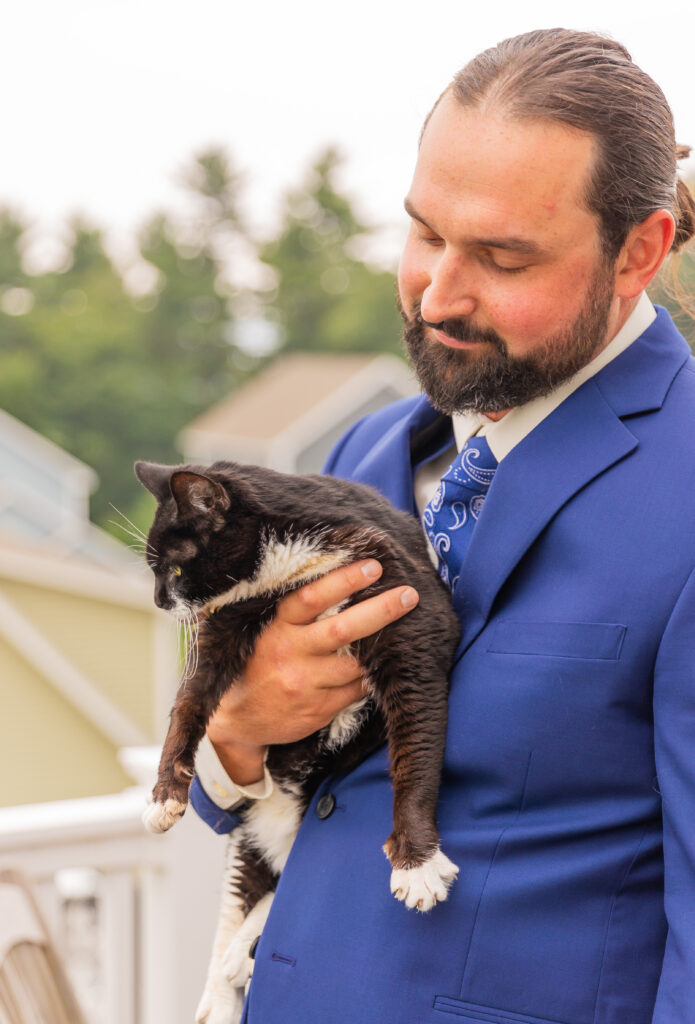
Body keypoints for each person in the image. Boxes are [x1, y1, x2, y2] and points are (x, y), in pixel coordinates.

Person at [190, 28, 695, 1024]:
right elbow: (270, 796)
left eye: (501, 256)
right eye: (424, 231)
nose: (436, 293)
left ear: (637, 250)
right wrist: (237, 730)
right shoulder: (364, 449)